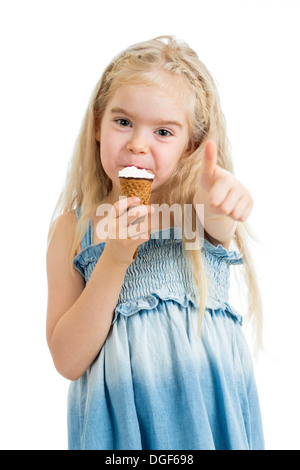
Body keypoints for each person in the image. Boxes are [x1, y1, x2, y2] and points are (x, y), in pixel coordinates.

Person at [46, 36, 264, 450]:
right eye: (123, 121)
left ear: (191, 147)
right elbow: (68, 360)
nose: (138, 144)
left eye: (163, 131)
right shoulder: (71, 231)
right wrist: (114, 259)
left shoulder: (195, 211)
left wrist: (225, 196)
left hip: (207, 419)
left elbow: (219, 219)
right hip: (120, 429)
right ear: (97, 122)